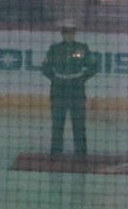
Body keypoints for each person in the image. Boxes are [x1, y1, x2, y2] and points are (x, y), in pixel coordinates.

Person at [41, 19, 98, 157]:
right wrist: (55, 79)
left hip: (76, 89)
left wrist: (81, 79)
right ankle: (55, 153)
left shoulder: (82, 48)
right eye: (66, 33)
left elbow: (93, 66)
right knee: (57, 123)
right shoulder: (54, 49)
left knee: (79, 122)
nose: (69, 35)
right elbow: (45, 67)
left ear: (75, 34)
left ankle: (81, 153)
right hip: (58, 89)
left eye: (71, 33)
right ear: (62, 34)